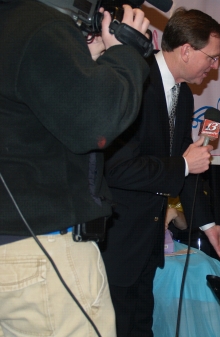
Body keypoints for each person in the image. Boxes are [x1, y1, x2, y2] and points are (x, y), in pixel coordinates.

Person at [0, 0, 151, 335]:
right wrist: (125, 51)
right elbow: (95, 125)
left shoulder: (15, 24)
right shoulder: (42, 26)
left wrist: (90, 60)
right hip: (44, 255)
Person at [101, 7, 220, 336]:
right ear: (187, 50)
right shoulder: (133, 79)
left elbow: (183, 163)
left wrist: (207, 225)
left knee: (140, 327)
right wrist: (185, 163)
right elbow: (118, 169)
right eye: (213, 57)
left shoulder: (185, 97)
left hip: (148, 245)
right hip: (117, 240)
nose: (215, 66)